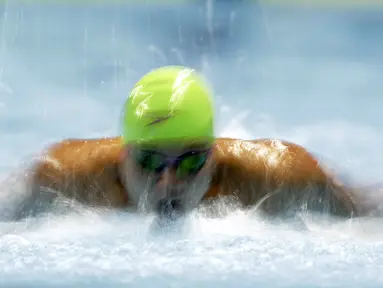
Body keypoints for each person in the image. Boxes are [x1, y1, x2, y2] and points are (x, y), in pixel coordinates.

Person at [20, 65, 379, 221]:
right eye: (149, 161)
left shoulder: (279, 178)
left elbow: (368, 210)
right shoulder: (63, 178)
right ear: (124, 154)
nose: (169, 181)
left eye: (191, 161)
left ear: (213, 157)